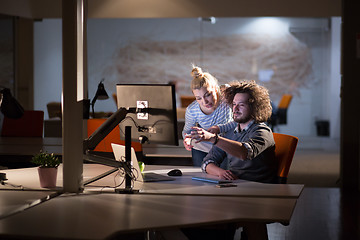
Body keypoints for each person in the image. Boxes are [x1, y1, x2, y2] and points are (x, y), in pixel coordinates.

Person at [186, 79, 278, 184]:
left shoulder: (263, 131)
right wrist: (220, 172)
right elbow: (206, 163)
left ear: (254, 108)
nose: (235, 109)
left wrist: (213, 138)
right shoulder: (229, 133)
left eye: (241, 105)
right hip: (235, 185)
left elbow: (245, 152)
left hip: (259, 188)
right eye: (234, 104)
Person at [182, 65, 236, 167]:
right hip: (201, 149)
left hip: (225, 146)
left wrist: (219, 128)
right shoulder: (192, 110)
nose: (204, 101)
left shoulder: (226, 98)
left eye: (208, 95)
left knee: (225, 179)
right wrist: (187, 139)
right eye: (198, 98)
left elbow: (240, 121)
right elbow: (187, 132)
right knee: (202, 178)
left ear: (216, 89)